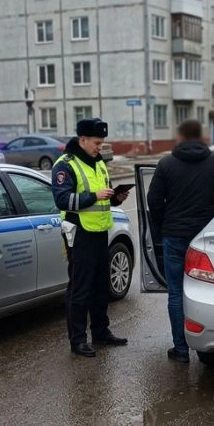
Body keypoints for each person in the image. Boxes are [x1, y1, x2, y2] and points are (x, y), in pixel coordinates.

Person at [146, 119, 214, 364]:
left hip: (174, 237)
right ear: (200, 136)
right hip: (206, 239)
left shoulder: (166, 164)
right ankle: (212, 345)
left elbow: (153, 202)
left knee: (176, 292)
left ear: (180, 136)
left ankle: (180, 350)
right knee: (210, 290)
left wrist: (165, 223)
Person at [51, 118, 129, 357]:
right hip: (79, 233)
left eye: (102, 143)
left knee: (100, 286)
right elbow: (62, 200)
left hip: (100, 231)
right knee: (80, 289)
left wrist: (116, 197)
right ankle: (77, 340)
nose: (100, 147)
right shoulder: (65, 165)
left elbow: (105, 195)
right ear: (82, 139)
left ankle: (101, 332)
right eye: (96, 143)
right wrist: (94, 195)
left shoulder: (99, 163)